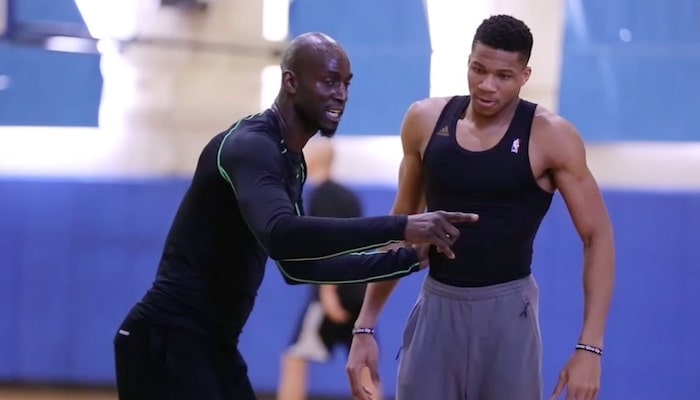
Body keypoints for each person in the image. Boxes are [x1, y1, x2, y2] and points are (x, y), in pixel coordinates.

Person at [112, 31, 479, 400]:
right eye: (329, 81)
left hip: (210, 344)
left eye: (346, 84)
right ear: (291, 81)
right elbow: (281, 235)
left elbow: (297, 266)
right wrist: (403, 226)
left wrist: (406, 260)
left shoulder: (291, 161)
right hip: (166, 341)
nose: (341, 94)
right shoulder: (253, 146)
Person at [345, 15, 615, 400]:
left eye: (504, 76)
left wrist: (590, 348)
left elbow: (597, 236)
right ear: (468, 62)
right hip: (437, 308)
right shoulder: (424, 121)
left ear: (525, 75)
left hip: (508, 316)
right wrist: (364, 326)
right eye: (478, 69)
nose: (487, 85)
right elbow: (398, 227)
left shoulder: (551, 136)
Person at [277, 137, 382, 400]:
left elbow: (327, 244)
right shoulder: (349, 196)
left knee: (294, 358)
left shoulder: (322, 195)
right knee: (362, 363)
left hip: (333, 292)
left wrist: (327, 293)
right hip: (358, 290)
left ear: (312, 161)